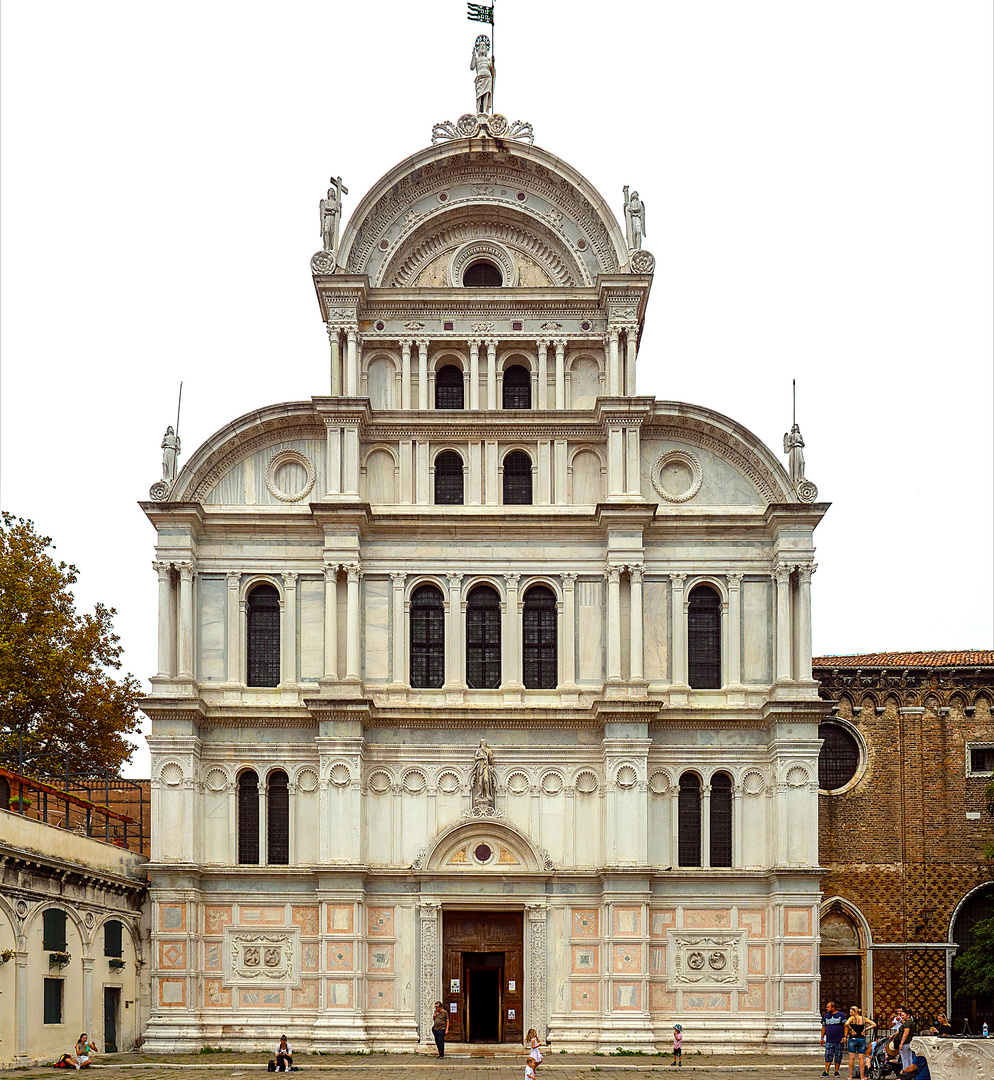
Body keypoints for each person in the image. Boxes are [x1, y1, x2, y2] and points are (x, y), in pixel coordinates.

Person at [844, 1006, 875, 1080]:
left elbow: (846, 1024)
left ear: (855, 1012)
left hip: (853, 1039)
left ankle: (850, 1076)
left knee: (851, 1058)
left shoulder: (852, 1018)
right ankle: (862, 1076)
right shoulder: (864, 1018)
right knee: (861, 1058)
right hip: (861, 1039)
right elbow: (874, 1024)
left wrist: (851, 1030)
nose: (850, 1013)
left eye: (851, 1012)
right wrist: (865, 1029)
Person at [821, 1001, 846, 1076]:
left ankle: (836, 1071)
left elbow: (845, 1026)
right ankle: (826, 1071)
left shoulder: (841, 1015)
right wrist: (822, 1037)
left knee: (838, 1056)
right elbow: (823, 1027)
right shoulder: (826, 1016)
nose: (827, 1008)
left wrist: (845, 1036)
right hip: (829, 1040)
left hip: (839, 1040)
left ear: (833, 1008)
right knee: (828, 1055)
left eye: (828, 1007)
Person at [470, 36, 494, 114]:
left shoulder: (488, 59)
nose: (483, 46)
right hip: (480, 77)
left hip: (487, 77)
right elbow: (472, 67)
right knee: (479, 95)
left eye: (484, 45)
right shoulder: (477, 59)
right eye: (481, 45)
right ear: (478, 48)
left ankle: (485, 111)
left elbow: (492, 69)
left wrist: (493, 63)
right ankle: (478, 111)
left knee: (486, 94)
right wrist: (473, 56)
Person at [894, 1007, 915, 1072]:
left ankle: (905, 1072)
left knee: (905, 1059)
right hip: (909, 1043)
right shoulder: (911, 1022)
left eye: (903, 1015)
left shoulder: (907, 1023)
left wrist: (901, 1043)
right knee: (909, 1059)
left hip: (905, 1043)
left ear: (908, 1015)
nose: (901, 1016)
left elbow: (906, 1033)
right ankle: (910, 1072)